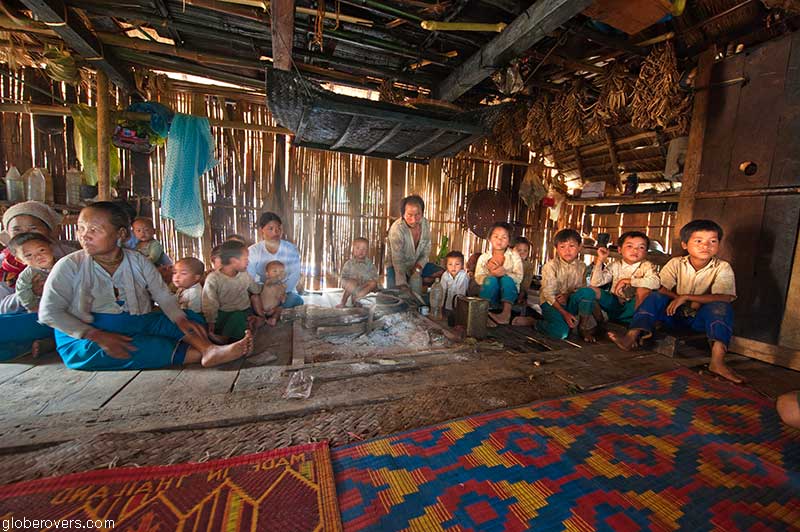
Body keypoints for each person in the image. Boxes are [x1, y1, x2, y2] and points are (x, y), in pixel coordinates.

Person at [38, 202, 252, 371]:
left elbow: (163, 296)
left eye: (95, 229)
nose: (85, 235)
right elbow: (48, 313)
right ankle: (205, 353)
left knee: (189, 320)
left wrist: (180, 320)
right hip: (85, 335)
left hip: (134, 321)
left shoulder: (137, 261)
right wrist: (97, 335)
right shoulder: (68, 266)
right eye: (81, 228)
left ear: (121, 234)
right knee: (130, 348)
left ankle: (209, 350)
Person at [609, 220, 740, 383]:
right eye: (698, 241)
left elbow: (725, 296)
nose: (705, 246)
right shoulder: (676, 263)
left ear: (719, 244)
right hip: (672, 314)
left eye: (712, 241)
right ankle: (631, 336)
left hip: (700, 319)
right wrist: (677, 298)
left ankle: (717, 361)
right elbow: (660, 287)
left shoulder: (722, 267)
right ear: (685, 244)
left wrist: (686, 297)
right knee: (655, 296)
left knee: (721, 307)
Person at [0, 201, 78, 360]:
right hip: (27, 318)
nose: (25, 234)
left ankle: (48, 342)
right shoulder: (3, 264)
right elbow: (2, 307)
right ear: (7, 234)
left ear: (50, 232)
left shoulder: (69, 256)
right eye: (17, 229)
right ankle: (50, 341)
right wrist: (30, 294)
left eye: (33, 228)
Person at [575, 231, 661, 338]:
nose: (635, 250)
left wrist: (628, 281)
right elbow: (595, 282)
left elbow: (656, 282)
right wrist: (600, 260)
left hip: (632, 308)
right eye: (630, 246)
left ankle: (634, 331)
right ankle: (585, 326)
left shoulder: (647, 266)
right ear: (620, 250)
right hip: (614, 305)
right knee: (590, 290)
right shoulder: (615, 265)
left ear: (646, 252)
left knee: (645, 293)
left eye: (641, 247)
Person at [535, 229, 595, 340]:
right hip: (552, 303)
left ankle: (583, 327)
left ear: (579, 247)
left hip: (569, 301)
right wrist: (565, 314)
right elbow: (548, 294)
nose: (567, 251)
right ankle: (535, 322)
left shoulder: (582, 267)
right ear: (557, 249)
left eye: (572, 246)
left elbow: (582, 289)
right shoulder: (551, 266)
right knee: (561, 333)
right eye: (562, 247)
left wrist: (567, 295)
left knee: (589, 292)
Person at [203, 240, 261, 342]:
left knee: (241, 317)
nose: (248, 262)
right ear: (234, 261)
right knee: (237, 320)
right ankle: (227, 338)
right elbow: (210, 302)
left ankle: (228, 338)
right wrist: (211, 321)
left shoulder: (244, 275)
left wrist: (269, 285)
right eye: (245, 259)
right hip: (223, 314)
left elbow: (255, 289)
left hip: (243, 312)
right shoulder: (213, 279)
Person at [247, 212, 303, 308]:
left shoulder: (291, 249)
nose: (276, 232)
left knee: (295, 299)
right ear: (261, 230)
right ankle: (274, 311)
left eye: (279, 228)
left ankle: (273, 311)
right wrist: (266, 291)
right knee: (252, 301)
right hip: (263, 292)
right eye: (271, 228)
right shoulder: (253, 251)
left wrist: (279, 292)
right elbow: (250, 278)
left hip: (285, 293)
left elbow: (294, 276)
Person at [475, 222, 524, 325]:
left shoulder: (514, 256)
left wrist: (504, 273)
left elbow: (519, 277)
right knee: (490, 280)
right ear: (489, 239)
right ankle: (484, 314)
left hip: (509, 295)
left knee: (506, 279)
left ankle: (505, 314)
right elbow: (478, 278)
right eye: (496, 236)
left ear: (509, 241)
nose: (499, 240)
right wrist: (492, 275)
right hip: (491, 293)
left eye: (504, 237)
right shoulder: (484, 258)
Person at [386, 195, 433, 295]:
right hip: (396, 268)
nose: (414, 219)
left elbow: (426, 250)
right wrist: (402, 284)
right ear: (403, 214)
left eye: (418, 214)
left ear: (422, 213)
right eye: (409, 215)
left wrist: (418, 268)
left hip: (416, 265)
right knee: (397, 296)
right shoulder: (397, 230)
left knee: (441, 274)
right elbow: (398, 261)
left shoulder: (425, 224)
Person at [8, 232, 56, 313]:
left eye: (42, 250)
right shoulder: (27, 275)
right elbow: (22, 292)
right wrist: (32, 306)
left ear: (51, 248)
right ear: (20, 260)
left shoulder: (64, 264)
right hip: (43, 307)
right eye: (29, 255)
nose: (38, 256)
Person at [338, 237, 379, 308]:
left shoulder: (370, 264)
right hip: (352, 286)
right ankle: (343, 302)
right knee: (351, 283)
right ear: (353, 250)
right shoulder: (349, 264)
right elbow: (343, 277)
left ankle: (357, 298)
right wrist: (350, 281)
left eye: (364, 249)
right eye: (358, 248)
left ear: (367, 251)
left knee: (373, 283)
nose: (361, 251)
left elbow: (375, 276)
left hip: (364, 286)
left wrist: (369, 281)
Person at [258, 260, 287, 325]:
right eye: (275, 271)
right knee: (254, 299)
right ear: (267, 274)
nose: (278, 274)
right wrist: (279, 278)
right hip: (262, 309)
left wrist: (283, 297)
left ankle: (273, 319)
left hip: (273, 309)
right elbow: (273, 281)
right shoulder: (268, 282)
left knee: (280, 309)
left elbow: (283, 300)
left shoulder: (282, 286)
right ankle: (261, 317)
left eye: (281, 272)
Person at [513, 237, 535, 306]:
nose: (522, 253)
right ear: (512, 250)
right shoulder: (508, 262)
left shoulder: (529, 266)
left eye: (525, 251)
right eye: (519, 250)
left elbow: (526, 282)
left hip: (519, 291)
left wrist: (522, 294)